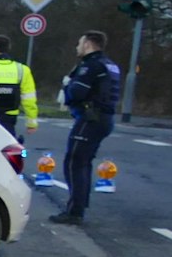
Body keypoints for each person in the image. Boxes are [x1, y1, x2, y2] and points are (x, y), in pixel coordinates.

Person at [51, 31, 122, 225]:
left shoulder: (91, 66)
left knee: (74, 163)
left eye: (80, 42)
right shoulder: (110, 64)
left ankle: (74, 211)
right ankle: (79, 207)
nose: (77, 46)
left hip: (90, 118)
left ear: (89, 44)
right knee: (84, 163)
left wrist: (67, 87)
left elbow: (77, 92)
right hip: (104, 118)